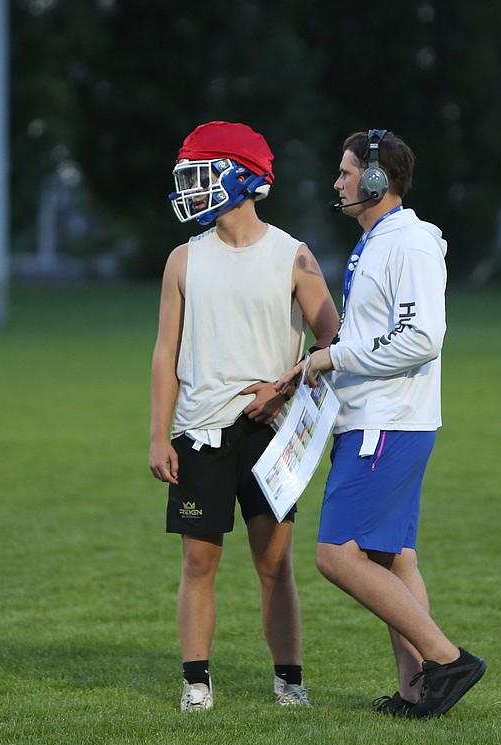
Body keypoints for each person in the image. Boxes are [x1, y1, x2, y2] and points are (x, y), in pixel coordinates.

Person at [277, 129, 484, 719]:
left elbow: (421, 338)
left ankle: (449, 661)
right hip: (377, 419)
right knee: (393, 556)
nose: (337, 183)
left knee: (337, 556)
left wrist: (331, 357)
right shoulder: (378, 241)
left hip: (386, 422)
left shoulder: (408, 242)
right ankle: (419, 691)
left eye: (345, 173)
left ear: (374, 180)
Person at [149, 121, 340, 711]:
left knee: (274, 562)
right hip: (200, 429)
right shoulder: (183, 260)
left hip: (271, 434)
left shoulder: (293, 256)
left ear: (243, 179)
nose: (192, 187)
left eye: (202, 173)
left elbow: (335, 342)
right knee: (198, 560)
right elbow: (165, 353)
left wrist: (285, 389)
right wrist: (159, 434)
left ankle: (289, 681)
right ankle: (197, 683)